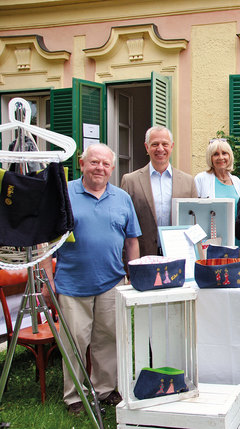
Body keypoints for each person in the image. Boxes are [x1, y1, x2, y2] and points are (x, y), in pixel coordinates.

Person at [46, 144, 141, 415]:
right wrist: (47, 279)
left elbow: (132, 240)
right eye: (94, 162)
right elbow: (49, 241)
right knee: (75, 340)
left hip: (112, 281)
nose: (99, 168)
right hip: (71, 283)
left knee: (108, 338)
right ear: (82, 163)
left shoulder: (122, 197)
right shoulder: (64, 194)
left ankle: (104, 389)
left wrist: (131, 274)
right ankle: (74, 394)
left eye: (105, 164)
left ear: (112, 168)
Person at [121, 126, 198, 256]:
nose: (160, 149)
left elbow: (195, 222)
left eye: (165, 144)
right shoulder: (130, 181)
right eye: (155, 144)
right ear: (147, 147)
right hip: (143, 256)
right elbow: (123, 224)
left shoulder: (188, 182)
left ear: (172, 146)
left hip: (178, 255)